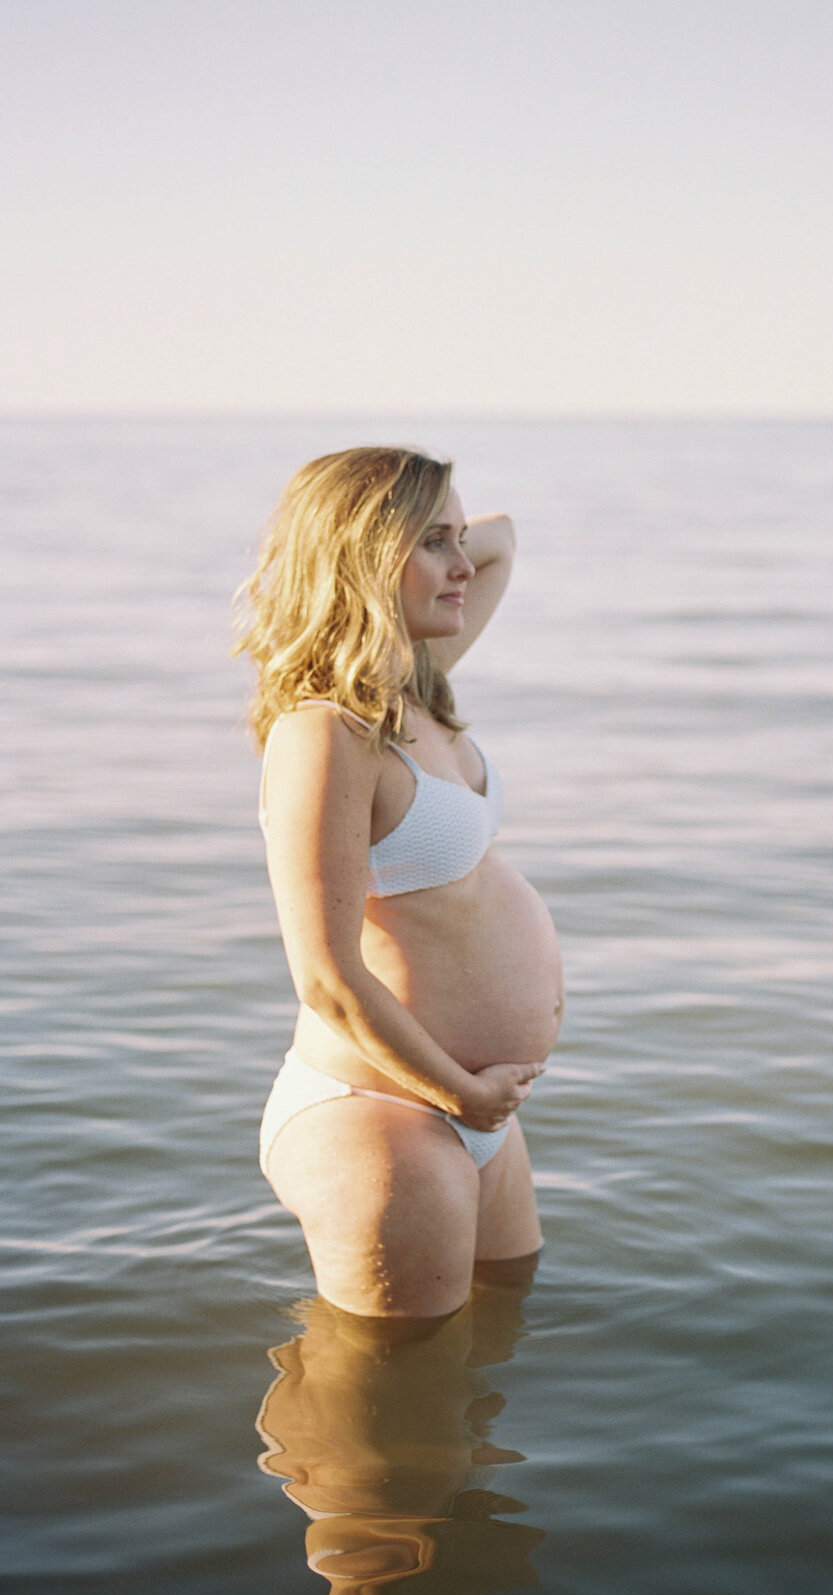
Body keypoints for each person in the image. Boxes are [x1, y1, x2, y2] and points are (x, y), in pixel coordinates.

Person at [234, 446, 561, 1318]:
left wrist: (432, 519)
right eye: (431, 543)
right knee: (380, 1430)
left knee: (495, 1351)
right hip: (383, 1115)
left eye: (456, 538)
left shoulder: (415, 687)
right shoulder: (326, 734)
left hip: (475, 1112)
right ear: (363, 556)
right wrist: (462, 1093)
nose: (463, 565)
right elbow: (327, 978)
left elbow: (504, 541)